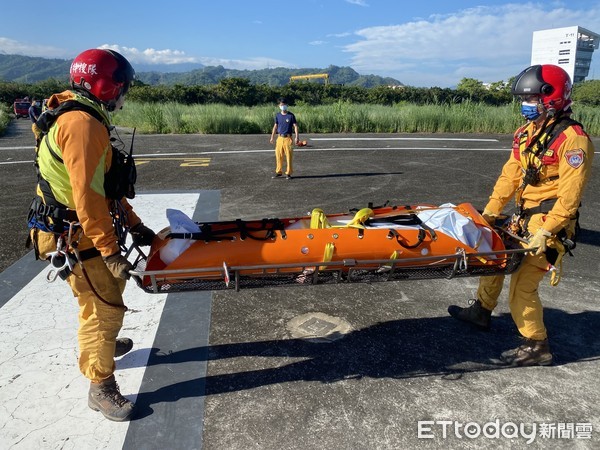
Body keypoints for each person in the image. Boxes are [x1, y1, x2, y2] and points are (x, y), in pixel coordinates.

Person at [26, 49, 156, 421]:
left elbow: (104, 189)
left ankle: (104, 345)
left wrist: (132, 223)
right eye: (121, 87)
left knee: (107, 294)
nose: (122, 95)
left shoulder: (76, 113)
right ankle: (101, 387)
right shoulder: (83, 125)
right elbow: (87, 197)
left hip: (78, 230)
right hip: (74, 235)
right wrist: (112, 252)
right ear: (103, 85)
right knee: (104, 308)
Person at [448, 64, 594, 367]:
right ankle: (481, 311)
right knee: (492, 258)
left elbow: (570, 197)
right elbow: (510, 175)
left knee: (522, 287)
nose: (525, 106)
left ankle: (536, 343)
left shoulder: (573, 140)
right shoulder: (526, 134)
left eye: (530, 100)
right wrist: (491, 210)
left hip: (550, 224)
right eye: (523, 101)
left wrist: (547, 231)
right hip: (523, 218)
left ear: (551, 99)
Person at [269, 97, 300, 179]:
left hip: (288, 138)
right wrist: (272, 137)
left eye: (285, 105)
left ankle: (288, 173)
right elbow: (275, 127)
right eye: (282, 105)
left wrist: (297, 137)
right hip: (279, 138)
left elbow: (295, 126)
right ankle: (278, 172)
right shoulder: (278, 115)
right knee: (278, 156)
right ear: (279, 105)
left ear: (287, 105)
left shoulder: (291, 115)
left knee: (288, 156)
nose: (283, 106)